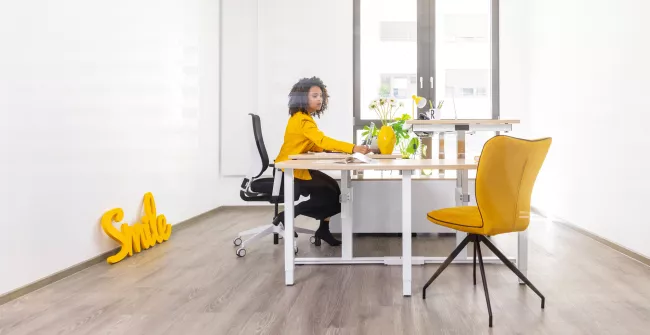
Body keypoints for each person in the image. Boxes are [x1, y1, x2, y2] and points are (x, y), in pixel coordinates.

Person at [274, 76, 371, 246]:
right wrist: (352, 147)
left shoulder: (303, 117)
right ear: (303, 97)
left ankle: (323, 230)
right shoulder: (302, 119)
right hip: (291, 170)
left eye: (321, 96)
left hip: (298, 167)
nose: (319, 99)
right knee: (331, 195)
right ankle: (288, 214)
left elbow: (315, 144)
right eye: (314, 96)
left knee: (333, 189)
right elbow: (321, 140)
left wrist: (332, 150)